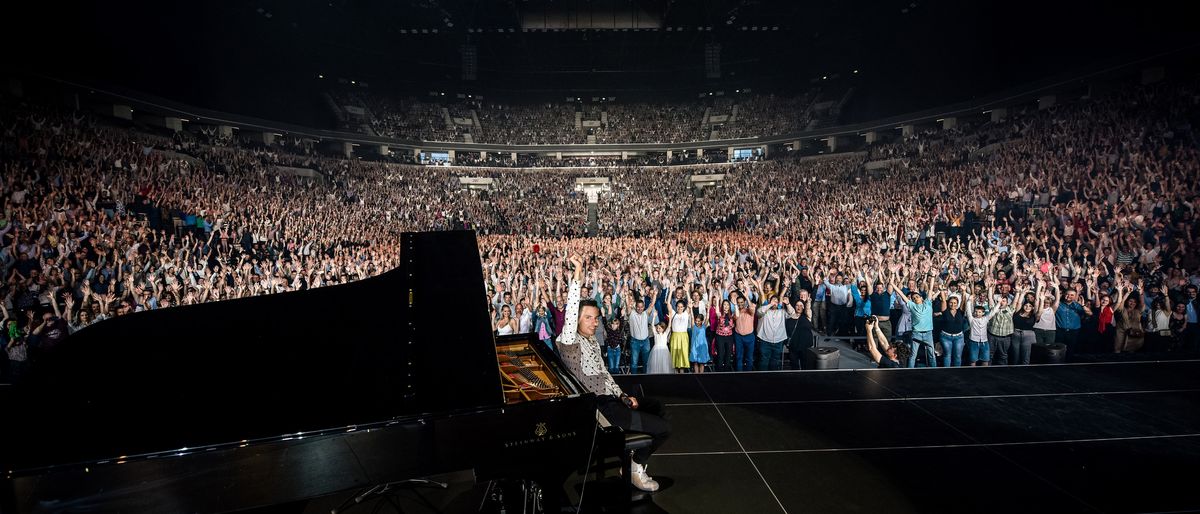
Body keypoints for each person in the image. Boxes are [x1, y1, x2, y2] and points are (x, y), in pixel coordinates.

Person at [557, 255, 670, 492]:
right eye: (588, 318)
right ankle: (635, 468)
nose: (594, 323)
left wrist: (622, 395)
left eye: (596, 318)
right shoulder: (569, 341)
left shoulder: (592, 343)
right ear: (576, 320)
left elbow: (605, 375)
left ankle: (632, 458)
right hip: (598, 409)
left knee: (657, 406)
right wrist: (578, 275)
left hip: (612, 400)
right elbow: (570, 312)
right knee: (662, 429)